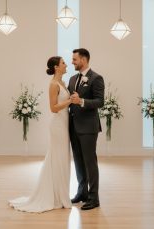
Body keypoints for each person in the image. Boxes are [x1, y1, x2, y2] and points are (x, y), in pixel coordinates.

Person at [8, 56, 72, 213]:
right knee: (57, 158)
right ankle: (56, 197)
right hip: (58, 126)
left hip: (65, 124)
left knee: (63, 159)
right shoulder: (53, 84)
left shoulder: (63, 83)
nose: (66, 65)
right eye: (63, 63)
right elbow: (54, 108)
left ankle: (61, 194)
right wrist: (70, 101)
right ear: (56, 67)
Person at [68, 48, 105, 210]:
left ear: (83, 59)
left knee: (90, 162)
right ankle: (81, 193)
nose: (72, 62)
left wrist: (81, 101)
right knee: (78, 162)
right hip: (73, 126)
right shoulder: (72, 78)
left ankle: (94, 197)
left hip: (88, 127)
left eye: (75, 59)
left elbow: (99, 101)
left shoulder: (96, 78)